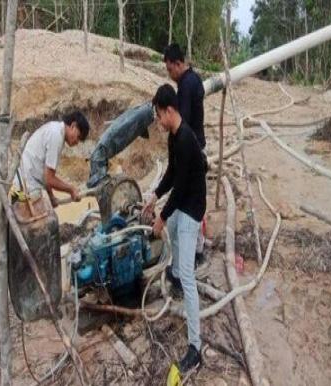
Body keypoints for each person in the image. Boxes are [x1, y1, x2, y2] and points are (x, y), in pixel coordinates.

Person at [144, 84, 206, 373]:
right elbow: (171, 173)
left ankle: (195, 347)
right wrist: (155, 195)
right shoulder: (173, 137)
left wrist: (162, 217)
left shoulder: (187, 140)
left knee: (189, 275)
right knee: (176, 246)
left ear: (169, 110)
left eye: (158, 115)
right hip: (184, 201)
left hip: (192, 207)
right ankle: (177, 275)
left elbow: (180, 189)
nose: (158, 120)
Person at [164, 43, 206, 265]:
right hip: (198, 143)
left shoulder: (186, 85)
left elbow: (185, 119)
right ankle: (198, 248)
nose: (170, 75)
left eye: (170, 69)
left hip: (192, 147)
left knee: (190, 199)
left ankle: (193, 253)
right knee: (196, 198)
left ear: (178, 63)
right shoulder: (195, 79)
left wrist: (179, 142)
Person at [12, 111, 90, 207]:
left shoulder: (55, 129)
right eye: (78, 137)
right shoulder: (56, 136)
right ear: (73, 126)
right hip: (24, 190)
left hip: (22, 185)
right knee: (51, 220)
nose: (77, 142)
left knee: (49, 212)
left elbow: (46, 175)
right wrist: (71, 189)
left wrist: (51, 196)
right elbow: (49, 179)